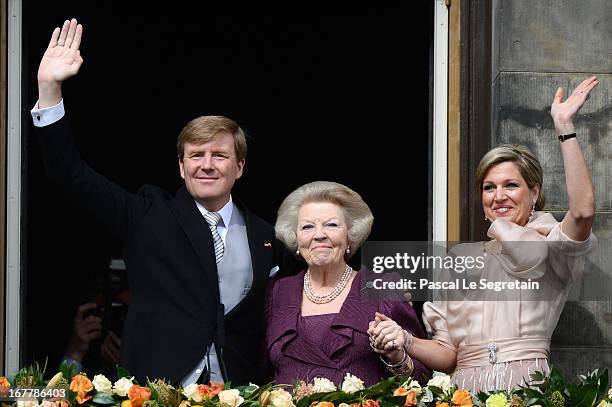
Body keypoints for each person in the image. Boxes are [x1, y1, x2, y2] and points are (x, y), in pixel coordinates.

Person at [32, 19, 296, 385]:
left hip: (237, 390)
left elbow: (323, 274)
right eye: (196, 155)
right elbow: (69, 174)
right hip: (156, 389)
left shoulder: (265, 236)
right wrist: (49, 90)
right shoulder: (146, 215)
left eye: (219, 155)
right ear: (181, 166)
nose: (206, 164)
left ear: (239, 166)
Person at [388, 76, 598, 393]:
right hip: (463, 391)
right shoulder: (459, 259)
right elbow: (446, 354)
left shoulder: (551, 244)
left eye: (511, 185)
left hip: (527, 387)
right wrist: (406, 339)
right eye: (489, 187)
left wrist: (564, 127)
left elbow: (582, 212)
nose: (498, 195)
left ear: (534, 191)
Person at [265, 181, 431, 386]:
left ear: (350, 236)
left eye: (331, 225)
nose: (319, 235)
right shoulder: (278, 292)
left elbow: (423, 380)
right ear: (295, 238)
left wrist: (397, 357)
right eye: (307, 226)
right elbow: (261, 371)